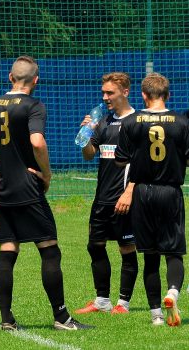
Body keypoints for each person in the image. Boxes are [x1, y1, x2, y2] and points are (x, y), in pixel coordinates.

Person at [0, 55, 92, 331]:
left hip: (5, 191)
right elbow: (37, 141)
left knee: (8, 251)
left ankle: (7, 320)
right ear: (36, 80)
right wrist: (46, 174)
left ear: (10, 78)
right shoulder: (33, 106)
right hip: (30, 190)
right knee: (50, 251)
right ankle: (62, 318)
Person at [115, 72, 189, 326]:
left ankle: (156, 314)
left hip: (142, 191)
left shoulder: (132, 122)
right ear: (167, 95)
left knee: (149, 255)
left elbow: (121, 159)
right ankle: (173, 292)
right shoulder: (181, 122)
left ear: (143, 95)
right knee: (174, 252)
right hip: (170, 191)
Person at [74, 72, 138, 315]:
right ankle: (102, 300)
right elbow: (90, 155)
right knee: (95, 246)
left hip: (124, 198)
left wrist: (129, 192)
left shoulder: (137, 122)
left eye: (110, 92)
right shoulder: (104, 122)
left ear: (125, 92)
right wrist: (86, 135)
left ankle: (123, 303)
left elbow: (141, 164)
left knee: (126, 248)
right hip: (102, 199)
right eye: (103, 93)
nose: (105, 97)